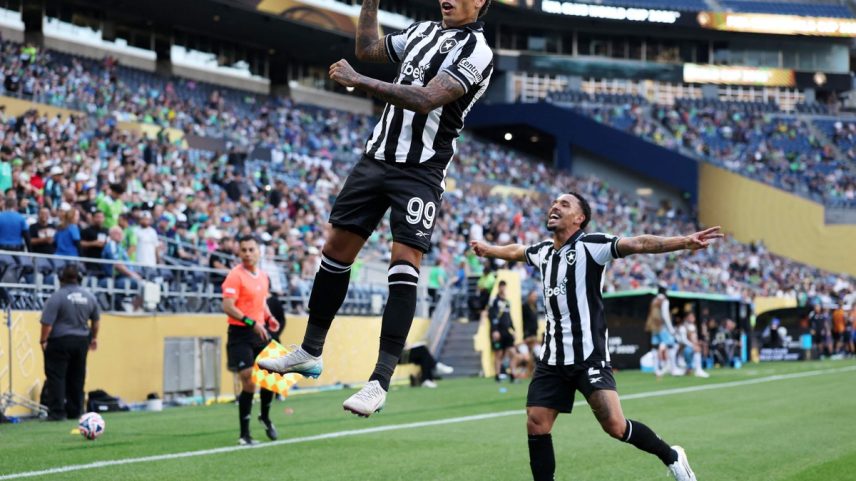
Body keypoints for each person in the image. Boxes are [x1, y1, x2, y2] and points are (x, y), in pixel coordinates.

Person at [259, 0, 495, 417]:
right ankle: (311, 351)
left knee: (403, 263)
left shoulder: (477, 52)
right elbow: (369, 48)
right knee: (335, 250)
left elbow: (426, 99)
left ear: (480, 3)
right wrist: (370, 4)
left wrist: (358, 81)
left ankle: (378, 381)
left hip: (421, 171)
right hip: (375, 158)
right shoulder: (422, 32)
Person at [470, 192, 720, 481]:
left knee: (615, 426)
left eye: (564, 204)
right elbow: (517, 250)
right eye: (554, 203)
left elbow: (638, 243)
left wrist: (684, 242)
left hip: (589, 356)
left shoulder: (592, 245)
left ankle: (672, 456)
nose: (554, 206)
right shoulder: (543, 252)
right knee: (536, 422)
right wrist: (490, 250)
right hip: (552, 358)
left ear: (579, 218)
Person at [222, 235, 280, 445]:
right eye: (244, 250)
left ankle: (265, 417)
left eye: (251, 249)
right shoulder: (234, 276)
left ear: (258, 252)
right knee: (248, 379)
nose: (247, 253)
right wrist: (251, 322)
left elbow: (262, 301)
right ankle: (244, 434)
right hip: (240, 333)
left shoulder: (263, 276)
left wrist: (269, 317)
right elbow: (228, 306)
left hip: (259, 331)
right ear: (239, 252)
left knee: (272, 377)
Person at [38, 264, 100, 421]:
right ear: (79, 278)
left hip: (60, 341)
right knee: (77, 377)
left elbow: (47, 323)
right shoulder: (89, 296)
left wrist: (43, 340)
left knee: (57, 377)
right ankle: (76, 411)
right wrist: (93, 337)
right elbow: (96, 320)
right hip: (81, 341)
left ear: (61, 279)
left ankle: (57, 413)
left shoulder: (57, 297)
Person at [645, 286, 676, 379]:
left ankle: (656, 369)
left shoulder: (654, 300)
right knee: (671, 346)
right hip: (662, 327)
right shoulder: (665, 301)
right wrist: (671, 329)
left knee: (655, 347)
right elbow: (665, 315)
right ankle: (672, 368)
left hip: (653, 326)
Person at [489, 280, 515, 381]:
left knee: (512, 352)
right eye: (501, 287)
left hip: (507, 331)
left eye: (504, 287)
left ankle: (512, 374)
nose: (503, 289)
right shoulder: (495, 301)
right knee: (498, 353)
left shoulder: (507, 302)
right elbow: (492, 316)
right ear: (499, 287)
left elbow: (509, 317)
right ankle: (498, 375)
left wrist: (514, 329)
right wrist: (494, 330)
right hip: (498, 331)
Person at [675, 312, 709, 378]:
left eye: (693, 317)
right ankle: (691, 368)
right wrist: (693, 345)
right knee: (693, 350)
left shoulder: (695, 326)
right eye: (690, 317)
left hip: (693, 347)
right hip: (684, 349)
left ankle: (698, 369)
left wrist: (699, 342)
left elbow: (697, 338)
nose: (692, 318)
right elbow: (683, 340)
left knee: (699, 348)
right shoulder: (683, 327)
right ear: (686, 318)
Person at [521, 290, 540, 378]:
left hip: (534, 335)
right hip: (526, 336)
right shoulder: (524, 307)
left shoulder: (535, 306)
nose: (535, 298)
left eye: (536, 296)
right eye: (533, 296)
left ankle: (535, 373)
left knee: (539, 353)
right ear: (529, 296)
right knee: (527, 357)